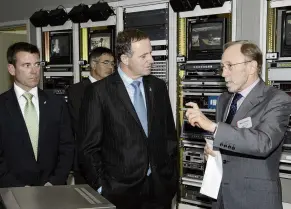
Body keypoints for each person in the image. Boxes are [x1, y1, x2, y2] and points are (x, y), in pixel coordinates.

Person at [78, 29, 178, 209]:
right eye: (144, 56)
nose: (151, 60)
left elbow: (169, 136)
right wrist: (102, 187)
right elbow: (88, 147)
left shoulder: (158, 87)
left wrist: (171, 177)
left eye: (151, 53)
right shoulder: (99, 92)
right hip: (119, 192)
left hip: (159, 189)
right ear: (125, 59)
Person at [185, 40, 291, 209]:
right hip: (222, 197)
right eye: (222, 67)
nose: (223, 73)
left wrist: (213, 127)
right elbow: (228, 141)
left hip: (255, 200)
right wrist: (213, 153)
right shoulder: (224, 99)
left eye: (229, 66)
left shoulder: (277, 99)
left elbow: (263, 143)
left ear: (251, 67)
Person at [0, 42, 74, 187]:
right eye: (26, 65)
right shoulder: (2, 106)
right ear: (11, 69)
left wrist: (55, 181)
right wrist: (17, 187)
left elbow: (67, 146)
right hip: (12, 192)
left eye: (37, 64)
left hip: (52, 190)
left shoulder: (56, 103)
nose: (34, 71)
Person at [67, 47, 114, 184]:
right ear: (93, 64)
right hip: (87, 162)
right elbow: (81, 125)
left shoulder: (116, 90)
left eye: (112, 63)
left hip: (114, 163)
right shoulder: (76, 91)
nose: (110, 67)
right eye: (106, 62)